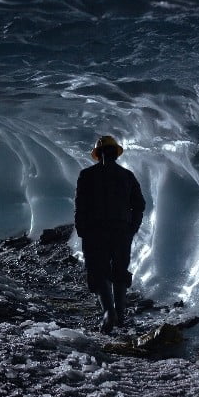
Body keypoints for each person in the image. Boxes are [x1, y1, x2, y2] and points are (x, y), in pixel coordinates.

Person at [74, 135, 146, 334]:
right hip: (121, 230)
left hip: (95, 230)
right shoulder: (127, 176)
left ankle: (109, 312)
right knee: (120, 270)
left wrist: (82, 229)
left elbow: (80, 206)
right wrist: (132, 228)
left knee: (99, 270)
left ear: (99, 155)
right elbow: (139, 205)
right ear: (116, 154)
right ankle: (120, 315)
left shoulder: (86, 175)